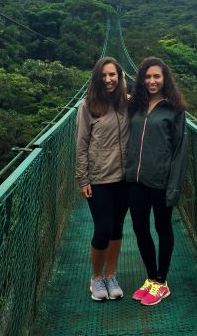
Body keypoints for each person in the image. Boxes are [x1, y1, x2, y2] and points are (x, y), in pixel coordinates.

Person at [125, 57, 188, 306]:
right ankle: (151, 277)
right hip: (136, 180)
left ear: (165, 79)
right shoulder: (136, 106)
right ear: (141, 79)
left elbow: (181, 150)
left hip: (162, 181)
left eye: (157, 77)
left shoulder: (175, 110)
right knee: (140, 228)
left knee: (163, 229)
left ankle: (162, 282)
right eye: (147, 77)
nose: (152, 81)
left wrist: (174, 187)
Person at [75, 57, 130, 301]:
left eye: (113, 75)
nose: (108, 79)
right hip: (98, 178)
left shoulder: (127, 104)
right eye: (104, 75)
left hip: (125, 178)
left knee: (117, 228)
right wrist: (83, 179)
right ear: (97, 78)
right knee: (103, 227)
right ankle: (96, 279)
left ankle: (111, 275)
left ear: (120, 77)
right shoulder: (87, 106)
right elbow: (81, 144)